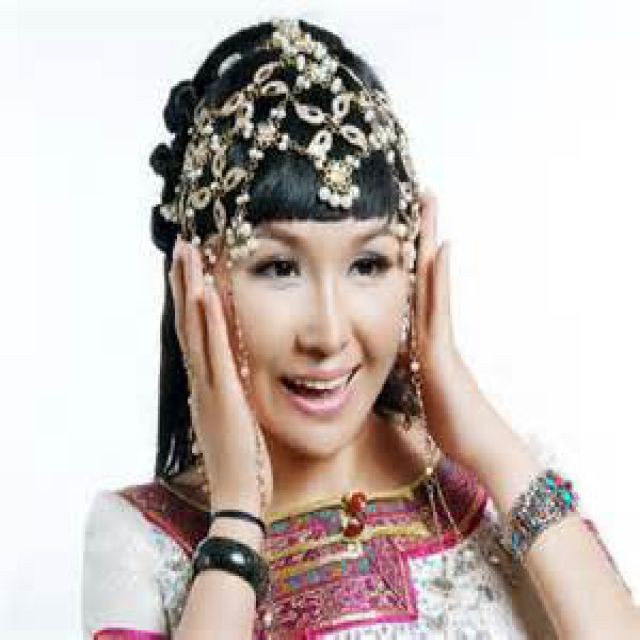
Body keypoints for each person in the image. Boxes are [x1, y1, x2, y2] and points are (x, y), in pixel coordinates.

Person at [81, 18, 639, 639]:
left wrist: (482, 433)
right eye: (279, 268)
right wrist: (237, 519)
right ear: (196, 278)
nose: (328, 334)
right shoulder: (143, 538)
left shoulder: (499, 481)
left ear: (412, 265)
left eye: (368, 264)